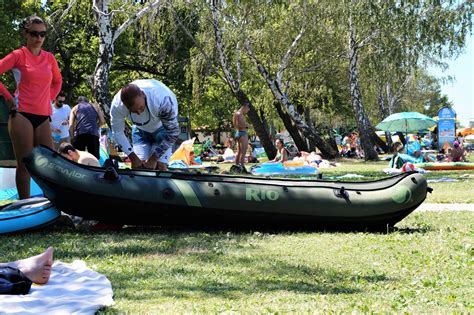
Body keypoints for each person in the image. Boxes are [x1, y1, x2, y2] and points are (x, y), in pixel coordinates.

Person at [0, 16, 62, 199]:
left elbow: (58, 81)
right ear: (26, 33)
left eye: (42, 34)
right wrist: (7, 96)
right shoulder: (18, 55)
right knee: (25, 164)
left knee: (49, 164)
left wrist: (49, 99)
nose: (39, 38)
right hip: (21, 115)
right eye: (34, 33)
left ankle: (51, 203)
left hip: (44, 116)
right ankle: (25, 205)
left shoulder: (50, 58)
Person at [110, 79, 180, 170]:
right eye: (134, 111)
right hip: (140, 129)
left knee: (160, 166)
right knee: (138, 167)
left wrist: (153, 159)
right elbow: (118, 133)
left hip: (163, 129)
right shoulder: (117, 106)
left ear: (143, 94)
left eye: (141, 108)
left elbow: (173, 133)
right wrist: (133, 157)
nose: (139, 113)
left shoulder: (162, 101)